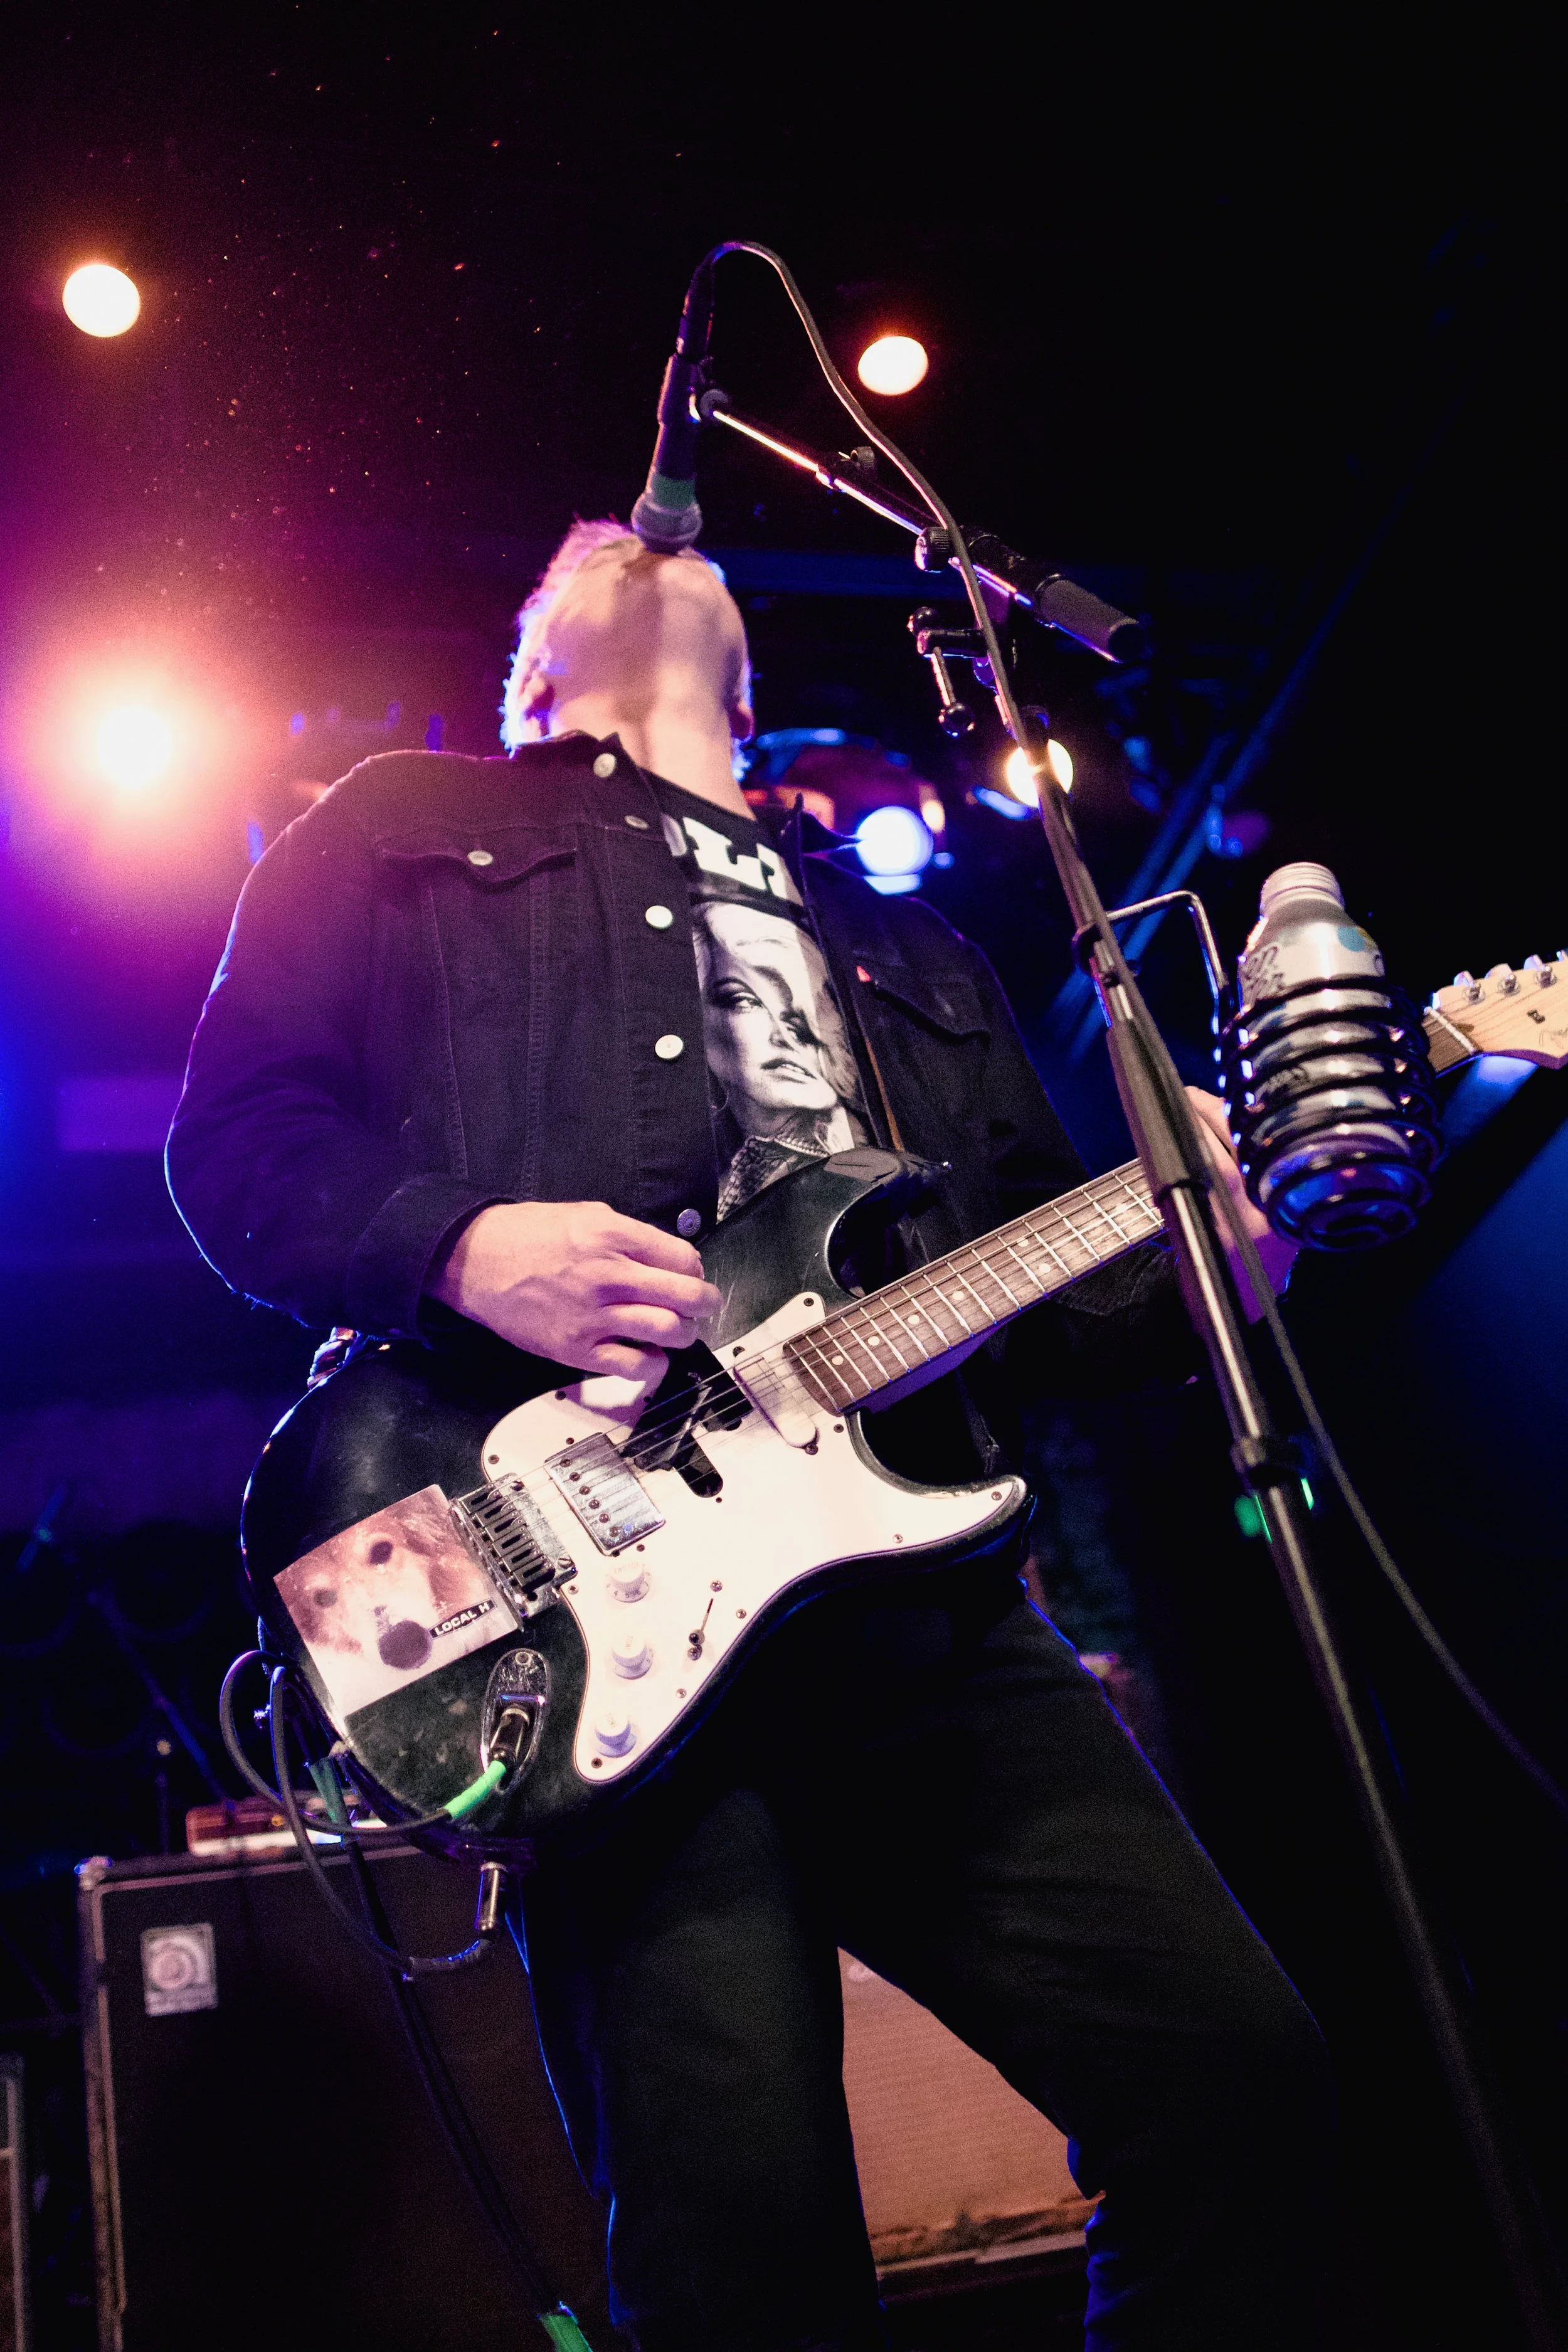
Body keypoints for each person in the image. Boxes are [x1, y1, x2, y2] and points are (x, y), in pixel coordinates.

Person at [167, 520, 1333, 2352]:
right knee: (742, 2257)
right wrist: (462, 1246)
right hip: (599, 1622)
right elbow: (234, 1153)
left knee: (1246, 2087)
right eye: (572, 539)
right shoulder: (396, 822)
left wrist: (1215, 1260)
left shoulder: (906, 935)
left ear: (754, 662)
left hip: (920, 1622)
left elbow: (1040, 1301)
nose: (625, 524)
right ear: (532, 658)